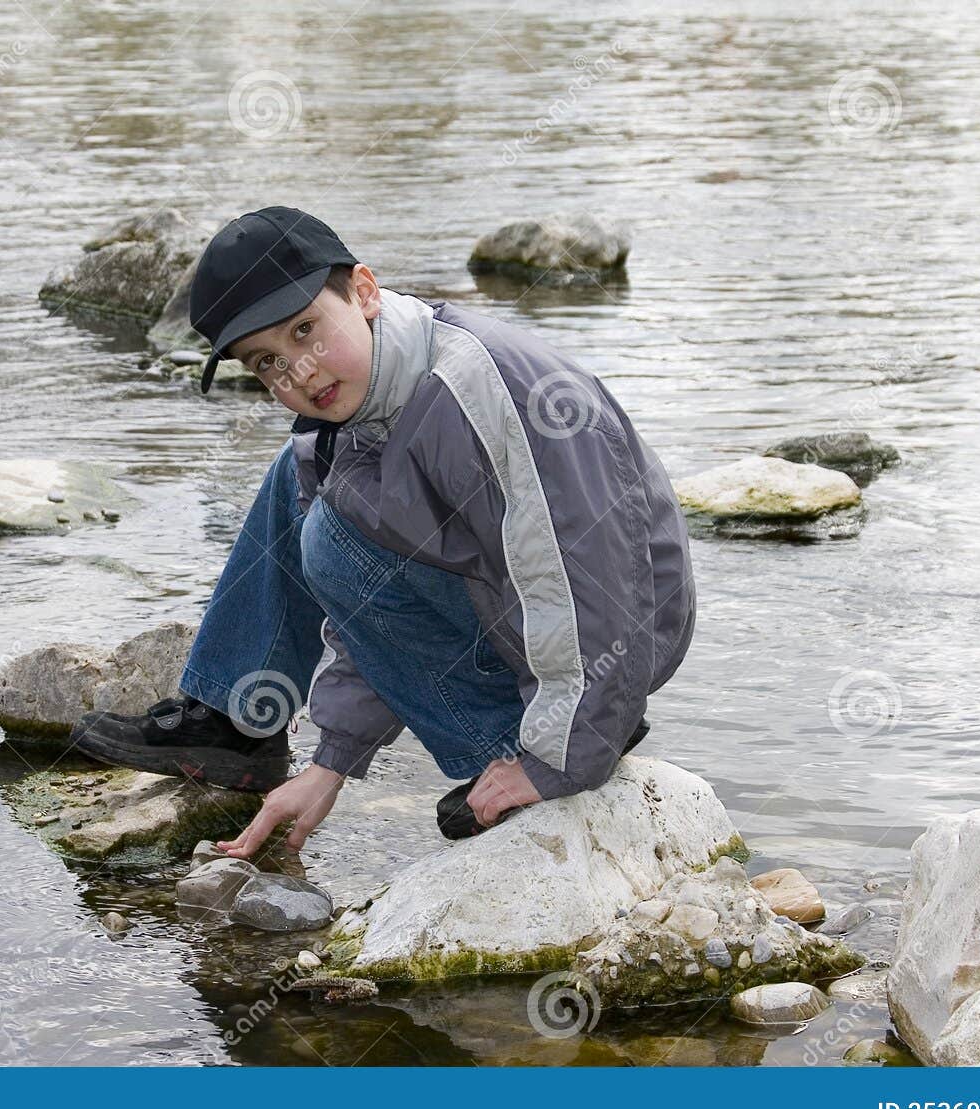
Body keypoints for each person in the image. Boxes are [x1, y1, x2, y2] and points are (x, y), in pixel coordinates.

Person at [70, 205, 696, 856]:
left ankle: (519, 735)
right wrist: (331, 761)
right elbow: (362, 596)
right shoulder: (354, 407)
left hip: (622, 635)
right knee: (305, 474)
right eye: (266, 363)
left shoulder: (486, 393)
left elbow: (584, 576)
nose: (299, 371)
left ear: (364, 291)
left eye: (306, 329)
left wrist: (555, 758)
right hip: (527, 613)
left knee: (328, 531)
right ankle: (241, 718)